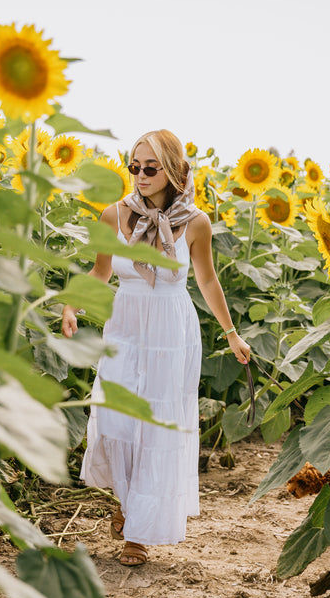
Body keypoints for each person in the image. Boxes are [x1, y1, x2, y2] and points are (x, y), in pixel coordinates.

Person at [61, 129, 251, 566]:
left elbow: (206, 279)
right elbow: (100, 271)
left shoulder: (196, 222)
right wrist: (71, 304)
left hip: (170, 331)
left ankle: (136, 532)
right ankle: (128, 506)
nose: (140, 175)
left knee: (155, 427)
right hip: (125, 326)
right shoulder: (115, 215)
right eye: (134, 166)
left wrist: (231, 332)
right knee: (117, 418)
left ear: (173, 170)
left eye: (150, 168)